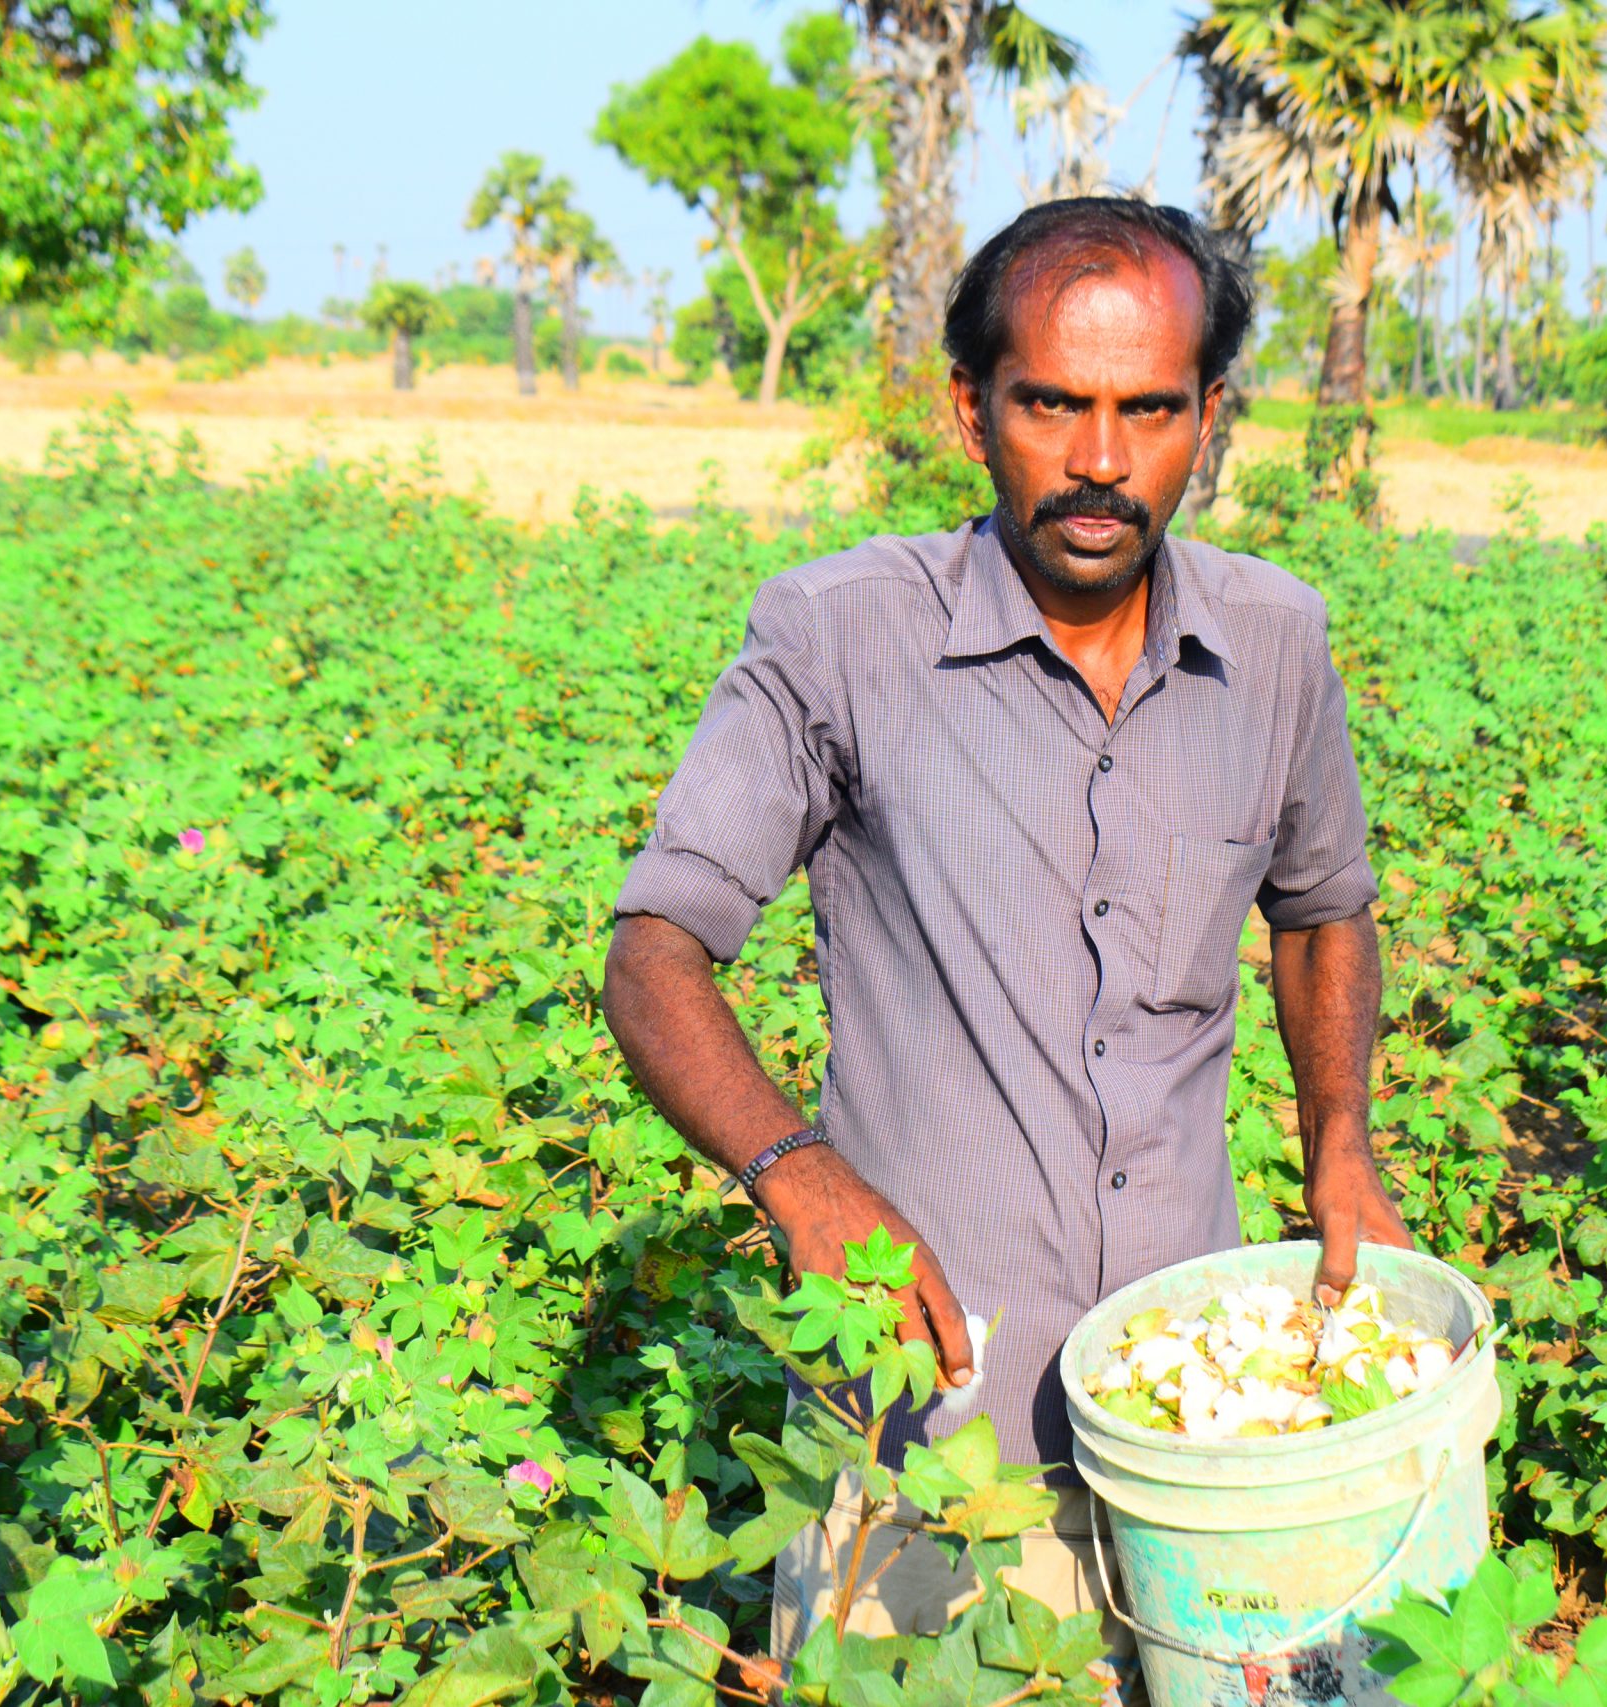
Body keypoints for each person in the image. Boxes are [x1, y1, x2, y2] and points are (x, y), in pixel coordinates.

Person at [600, 196, 1412, 1665]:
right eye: (1055, 404)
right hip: (936, 1412)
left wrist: (1339, 1132)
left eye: (1151, 410)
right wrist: (799, 1176)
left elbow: (1324, 909)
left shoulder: (1278, 642)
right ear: (970, 408)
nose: (1103, 460)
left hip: (1208, 1392)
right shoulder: (836, 635)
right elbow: (656, 949)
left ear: (1209, 417)